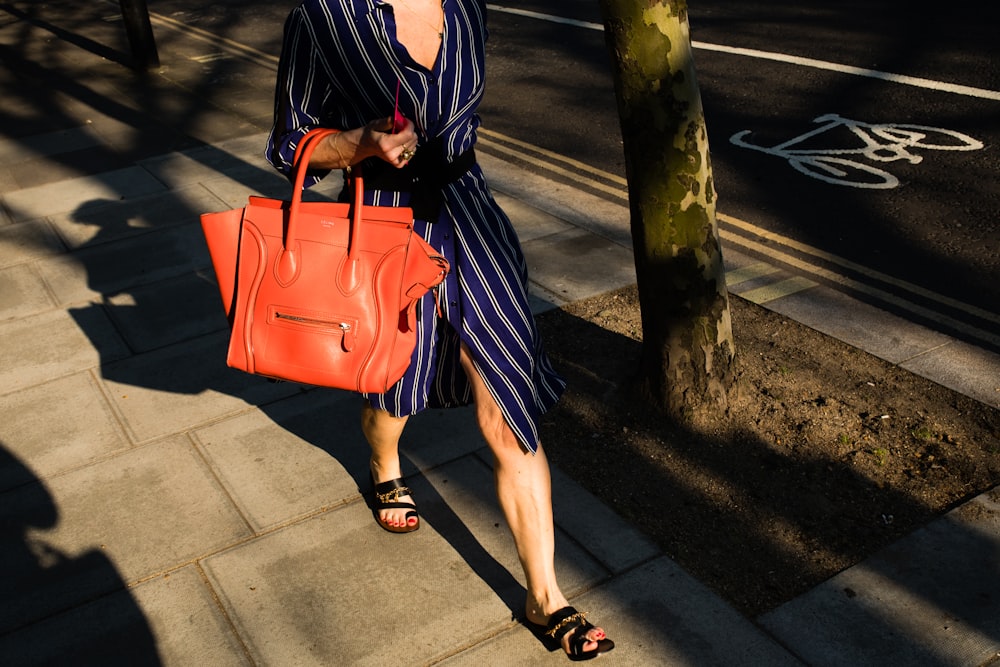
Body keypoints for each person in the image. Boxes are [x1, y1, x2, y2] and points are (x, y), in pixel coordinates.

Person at [265, 0, 614, 660]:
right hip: (385, 229)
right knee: (397, 386)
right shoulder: (323, 15)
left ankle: (547, 598)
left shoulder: (466, 6)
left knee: (507, 407)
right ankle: (383, 461)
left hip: (471, 218)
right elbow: (289, 142)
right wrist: (360, 144)